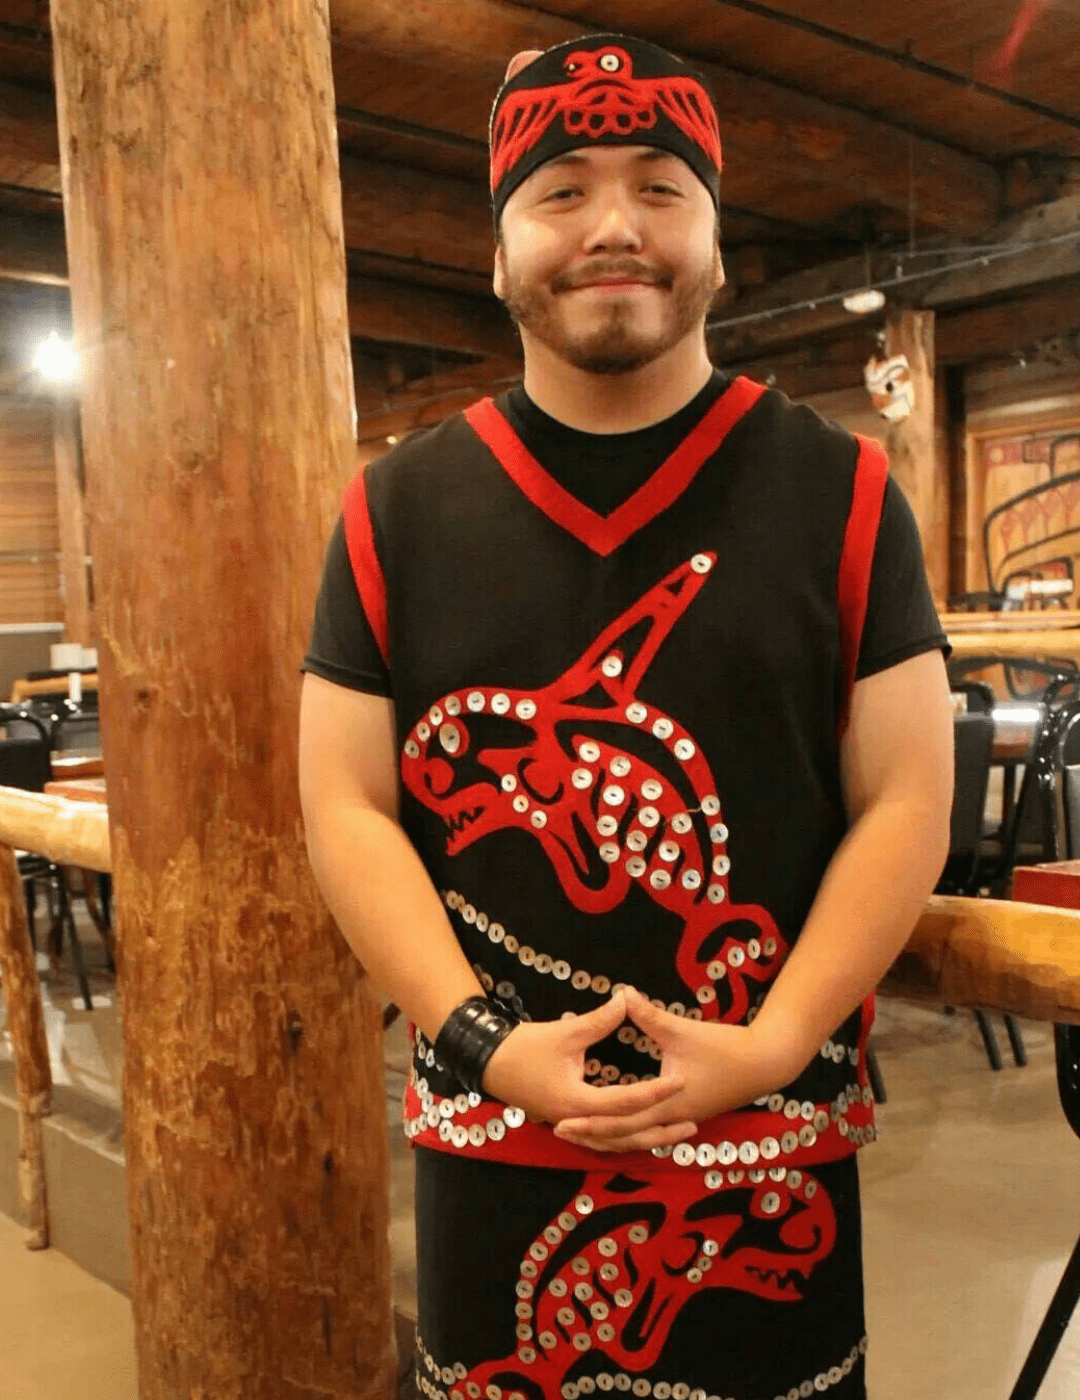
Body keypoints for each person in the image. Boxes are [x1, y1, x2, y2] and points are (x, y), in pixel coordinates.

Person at [299, 32, 953, 1400]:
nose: (613, 226)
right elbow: (346, 804)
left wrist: (775, 1041)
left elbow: (907, 798)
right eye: (562, 191)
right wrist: (482, 1041)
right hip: (495, 1147)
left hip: (768, 1167)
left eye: (661, 188)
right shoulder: (394, 511)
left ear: (715, 243)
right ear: (498, 252)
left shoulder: (845, 493)